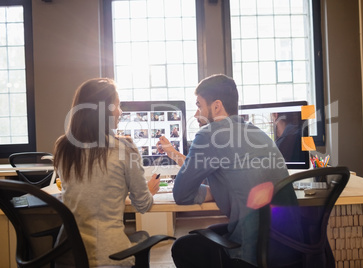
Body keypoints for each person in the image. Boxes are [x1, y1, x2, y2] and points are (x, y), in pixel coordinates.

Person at [157, 74, 300, 268]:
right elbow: (229, 174)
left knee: (183, 246)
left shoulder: (209, 134)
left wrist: (210, 192)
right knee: (211, 230)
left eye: (199, 105)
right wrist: (174, 154)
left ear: (216, 106)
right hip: (287, 246)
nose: (195, 113)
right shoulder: (256, 132)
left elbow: (181, 194)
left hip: (251, 255)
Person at [53, 78, 160, 267]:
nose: (120, 112)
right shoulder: (124, 149)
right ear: (105, 110)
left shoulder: (63, 146)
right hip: (111, 258)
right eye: (117, 106)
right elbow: (142, 205)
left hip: (69, 257)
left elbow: (88, 187)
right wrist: (149, 190)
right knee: (143, 236)